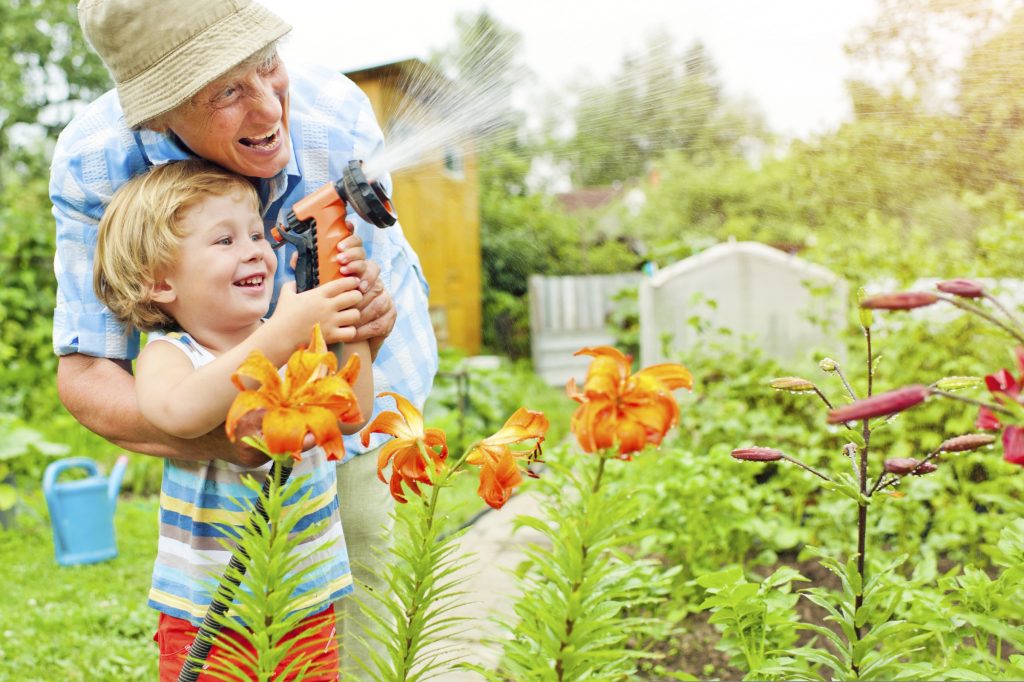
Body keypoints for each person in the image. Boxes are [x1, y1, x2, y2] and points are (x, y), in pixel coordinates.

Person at [51, 0, 439, 673]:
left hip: (345, 433)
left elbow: (352, 407)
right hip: (220, 513)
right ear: (158, 114)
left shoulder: (332, 116)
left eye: (267, 65)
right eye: (226, 91)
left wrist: (360, 330)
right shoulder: (96, 163)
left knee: (366, 605)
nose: (269, 111)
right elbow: (96, 376)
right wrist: (249, 433)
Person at [94, 158, 372, 679]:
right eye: (224, 241)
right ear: (160, 282)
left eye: (254, 234)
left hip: (306, 601)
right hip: (208, 615)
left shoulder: (293, 340)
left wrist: (346, 305)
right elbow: (176, 413)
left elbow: (351, 412)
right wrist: (282, 335)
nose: (254, 250)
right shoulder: (171, 355)